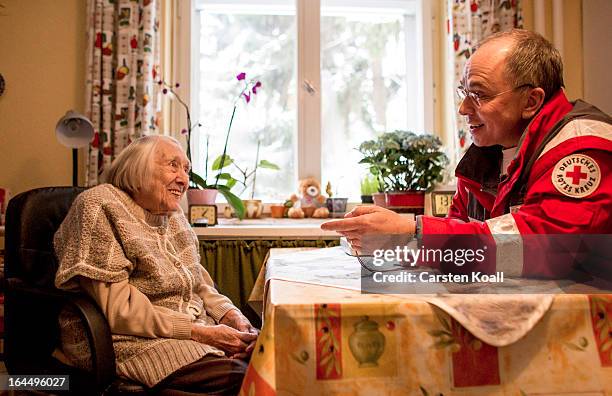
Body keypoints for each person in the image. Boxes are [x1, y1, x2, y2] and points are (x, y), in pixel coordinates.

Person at [322, 29, 612, 279]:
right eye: (464, 93)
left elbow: (548, 249)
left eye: (480, 95)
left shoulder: (581, 147)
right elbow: (458, 246)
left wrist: (412, 231)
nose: (463, 109)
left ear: (531, 101)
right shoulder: (485, 157)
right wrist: (393, 244)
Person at [54, 135, 258, 395]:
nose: (184, 179)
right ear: (137, 168)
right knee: (244, 378)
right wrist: (201, 333)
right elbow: (120, 311)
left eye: (186, 169)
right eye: (173, 165)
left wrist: (233, 318)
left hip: (191, 329)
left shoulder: (172, 214)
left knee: (270, 354)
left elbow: (199, 284)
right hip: (128, 340)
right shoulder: (99, 206)